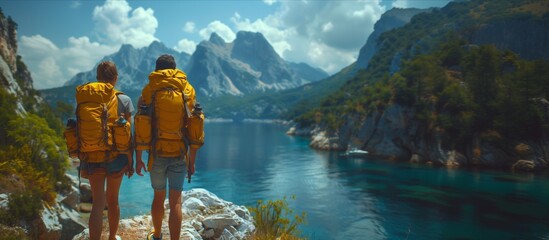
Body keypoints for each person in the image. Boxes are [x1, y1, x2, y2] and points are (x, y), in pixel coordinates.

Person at [135, 54, 204, 240]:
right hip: (180, 153)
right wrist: (192, 162)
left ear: (157, 69)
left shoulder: (149, 90)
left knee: (158, 197)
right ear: (174, 69)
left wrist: (138, 159)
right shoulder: (188, 89)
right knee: (176, 202)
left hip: (156, 153)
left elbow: (141, 124)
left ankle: (157, 235)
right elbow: (194, 127)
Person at [74, 61, 135, 240]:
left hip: (92, 155)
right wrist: (130, 161)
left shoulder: (86, 98)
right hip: (117, 157)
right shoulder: (124, 100)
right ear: (115, 78)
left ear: (97, 78)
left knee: (98, 204)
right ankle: (112, 237)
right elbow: (128, 134)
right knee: (113, 200)